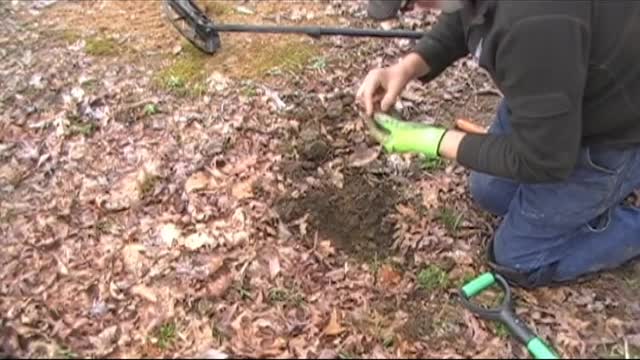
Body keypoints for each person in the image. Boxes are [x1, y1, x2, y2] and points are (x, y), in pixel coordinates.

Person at [356, 0, 640, 289]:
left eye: (412, 1)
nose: (416, 9)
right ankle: (578, 203)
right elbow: (466, 15)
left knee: (518, 260)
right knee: (489, 191)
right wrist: (405, 69)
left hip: (611, 133)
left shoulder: (534, 24)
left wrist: (432, 139)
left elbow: (543, 159)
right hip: (549, 102)